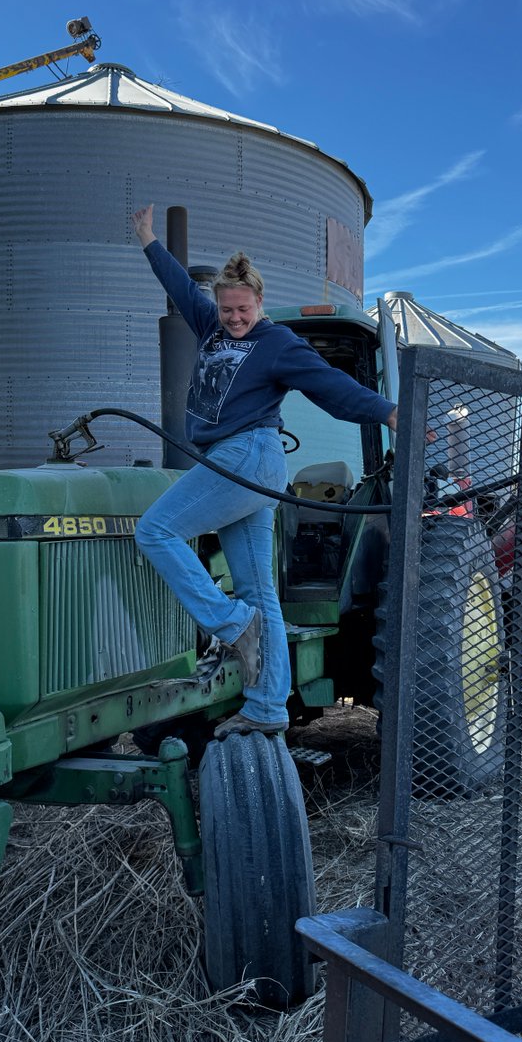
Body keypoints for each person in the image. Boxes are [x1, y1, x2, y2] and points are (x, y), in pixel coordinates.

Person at [131, 205, 397, 738]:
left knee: (155, 531)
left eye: (243, 309)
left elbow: (330, 386)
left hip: (248, 455)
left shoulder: (277, 342)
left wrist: (388, 411)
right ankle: (269, 705)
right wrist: (149, 242)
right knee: (260, 592)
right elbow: (183, 289)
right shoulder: (210, 325)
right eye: (227, 308)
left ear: (259, 301)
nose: (234, 317)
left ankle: (230, 625)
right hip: (236, 462)